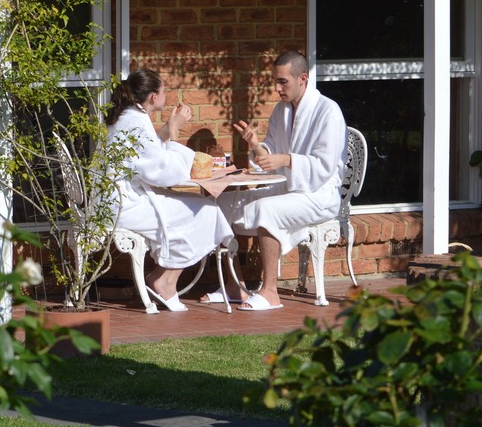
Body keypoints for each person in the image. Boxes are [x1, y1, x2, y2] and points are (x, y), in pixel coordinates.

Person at [215, 50, 347, 311]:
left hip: (319, 195)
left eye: (282, 82)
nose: (276, 88)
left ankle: (270, 292)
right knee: (221, 202)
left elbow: (324, 166)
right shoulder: (282, 110)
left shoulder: (328, 111)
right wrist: (255, 145)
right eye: (275, 81)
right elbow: (270, 155)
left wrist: (286, 160)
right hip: (286, 187)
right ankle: (233, 285)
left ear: (303, 78)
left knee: (267, 209)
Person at [105, 69, 236, 311]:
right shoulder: (134, 121)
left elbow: (148, 153)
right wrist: (175, 131)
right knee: (207, 209)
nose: (167, 95)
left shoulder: (130, 116)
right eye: (164, 91)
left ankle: (163, 277)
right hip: (126, 205)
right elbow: (164, 172)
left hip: (120, 199)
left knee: (198, 206)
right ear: (154, 97)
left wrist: (168, 127)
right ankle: (164, 280)